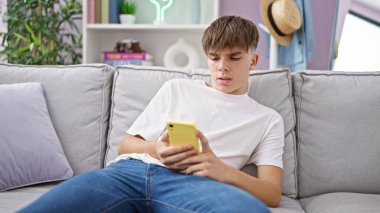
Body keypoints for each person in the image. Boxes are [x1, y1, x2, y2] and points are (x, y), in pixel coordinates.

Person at [21, 15, 284, 213]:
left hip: (198, 186)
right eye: (214, 58)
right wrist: (157, 149)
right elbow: (125, 145)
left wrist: (221, 170)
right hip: (128, 174)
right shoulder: (177, 88)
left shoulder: (267, 119)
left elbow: (272, 193)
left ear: (253, 60)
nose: (222, 67)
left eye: (234, 58)